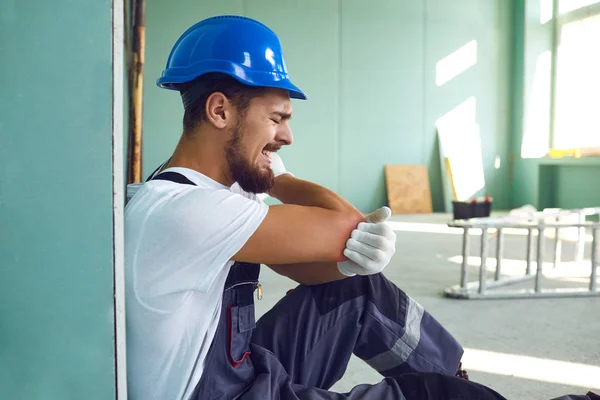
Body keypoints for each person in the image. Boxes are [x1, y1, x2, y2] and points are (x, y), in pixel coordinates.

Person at [125, 14, 551, 400]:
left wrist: (349, 267)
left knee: (356, 287)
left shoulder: (211, 190)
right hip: (221, 395)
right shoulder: (187, 210)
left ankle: (456, 383)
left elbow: (309, 267)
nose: (287, 136)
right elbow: (347, 226)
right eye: (277, 118)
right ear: (220, 110)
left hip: (246, 373)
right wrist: (281, 179)